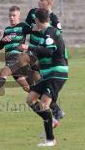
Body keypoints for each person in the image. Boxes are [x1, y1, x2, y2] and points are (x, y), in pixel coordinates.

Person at [18, 8, 68, 147]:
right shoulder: (45, 34)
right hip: (47, 75)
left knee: (44, 104)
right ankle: (51, 121)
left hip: (56, 73)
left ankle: (50, 139)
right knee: (30, 99)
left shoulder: (50, 32)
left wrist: (28, 47)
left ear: (37, 20)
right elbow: (41, 53)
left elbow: (48, 51)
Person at [0, 6, 41, 100]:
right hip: (9, 59)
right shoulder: (7, 29)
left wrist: (39, 26)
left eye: (14, 15)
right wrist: (3, 41)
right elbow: (0, 46)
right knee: (27, 88)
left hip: (17, 58)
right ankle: (48, 101)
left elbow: (34, 29)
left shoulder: (22, 26)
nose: (11, 17)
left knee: (4, 72)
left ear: (19, 16)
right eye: (10, 15)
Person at [25, 0, 65, 121]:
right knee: (33, 87)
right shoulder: (33, 13)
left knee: (37, 86)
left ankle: (53, 113)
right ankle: (54, 112)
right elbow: (24, 29)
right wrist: (32, 29)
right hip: (32, 54)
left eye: (42, 0)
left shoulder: (53, 19)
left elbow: (58, 38)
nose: (39, 2)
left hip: (44, 58)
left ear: (49, 2)